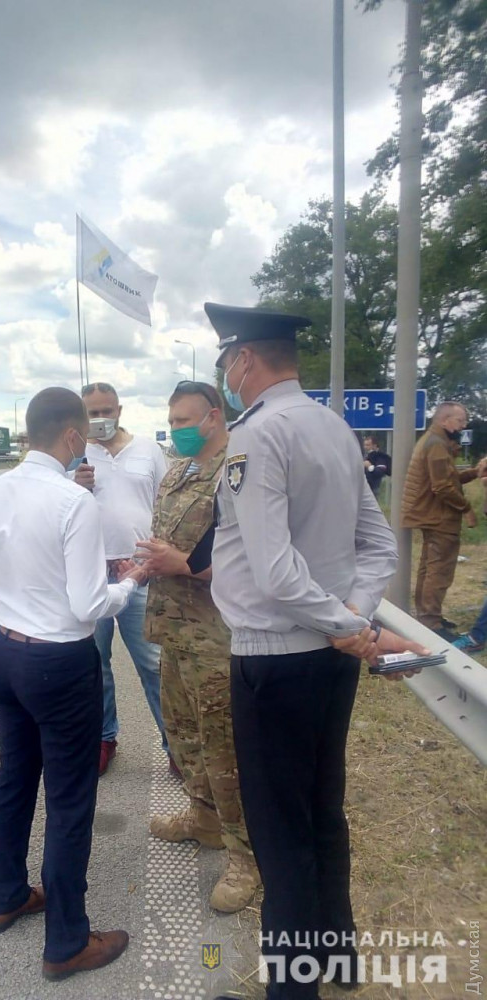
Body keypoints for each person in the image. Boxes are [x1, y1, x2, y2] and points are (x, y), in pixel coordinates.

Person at [207, 302, 403, 999]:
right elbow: (379, 546)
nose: (227, 376)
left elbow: (274, 570)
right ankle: (337, 959)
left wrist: (341, 623)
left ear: (244, 361)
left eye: (227, 363)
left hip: (274, 658)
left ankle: (292, 989)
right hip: (330, 658)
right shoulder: (333, 427)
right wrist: (351, 619)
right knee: (323, 810)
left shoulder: (256, 435)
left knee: (280, 830)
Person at [0, 386, 145, 981]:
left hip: (5, 652)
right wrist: (130, 582)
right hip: (59, 661)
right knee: (70, 799)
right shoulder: (74, 501)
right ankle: (67, 941)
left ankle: (6, 895)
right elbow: (88, 604)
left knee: (15, 776)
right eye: (84, 436)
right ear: (72, 436)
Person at [136, 380, 260, 914]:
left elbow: (253, 555)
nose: (176, 430)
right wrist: (147, 563)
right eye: (172, 421)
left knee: (224, 751)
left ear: (213, 416)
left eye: (184, 421)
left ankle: (245, 856)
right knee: (185, 738)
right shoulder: (178, 471)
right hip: (174, 630)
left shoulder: (238, 471)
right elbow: (169, 538)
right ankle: (203, 818)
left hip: (216, 636)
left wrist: (184, 565)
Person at [74, 381, 169, 775]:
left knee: (155, 663)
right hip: (90, 571)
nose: (100, 419)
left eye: (106, 410)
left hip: (139, 570)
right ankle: (103, 736)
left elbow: (167, 503)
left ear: (119, 410)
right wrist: (73, 484)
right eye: (92, 413)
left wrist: (156, 559)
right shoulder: (74, 454)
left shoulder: (148, 450)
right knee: (94, 664)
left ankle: (176, 743)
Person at [401, 402, 487, 640]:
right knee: (439, 571)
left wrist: (474, 472)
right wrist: (467, 509)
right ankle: (431, 623)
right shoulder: (437, 445)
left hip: (430, 514)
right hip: (439, 517)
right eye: (460, 420)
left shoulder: (435, 441)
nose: (464, 425)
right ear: (444, 420)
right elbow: (443, 487)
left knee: (429, 569)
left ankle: (428, 617)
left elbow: (449, 478)